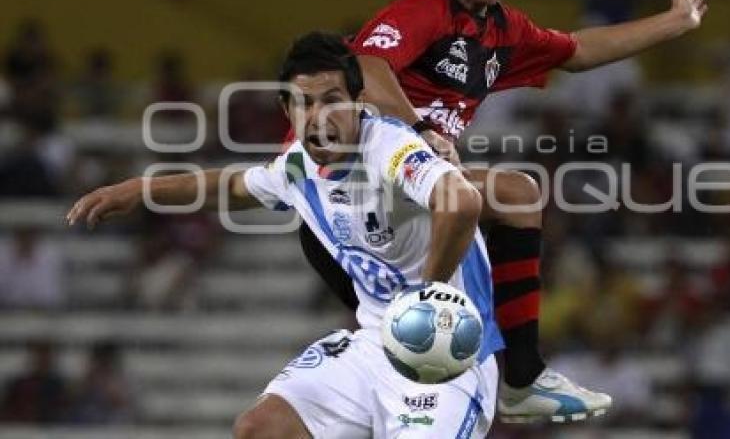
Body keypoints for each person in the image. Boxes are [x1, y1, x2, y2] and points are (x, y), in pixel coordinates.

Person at [295, 0, 706, 421]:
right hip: (343, 189)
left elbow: (577, 51)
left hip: (394, 204)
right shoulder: (424, 8)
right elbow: (368, 65)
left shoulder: (502, 32)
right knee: (512, 199)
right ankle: (519, 378)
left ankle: (501, 380)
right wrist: (420, 130)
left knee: (413, 344)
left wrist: (675, 20)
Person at [67, 32, 512, 437]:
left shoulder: (388, 146)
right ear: (288, 111)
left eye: (333, 100)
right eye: (305, 103)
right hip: (374, 347)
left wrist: (426, 300)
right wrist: (139, 189)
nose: (320, 116)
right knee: (260, 429)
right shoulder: (298, 166)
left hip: (447, 356)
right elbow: (232, 186)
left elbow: (462, 201)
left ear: (359, 102)